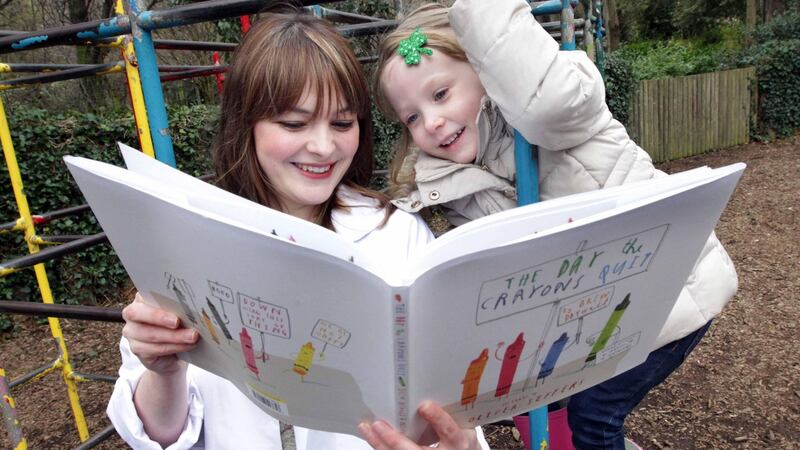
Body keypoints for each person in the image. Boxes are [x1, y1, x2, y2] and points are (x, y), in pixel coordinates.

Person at [106, 9, 490, 450]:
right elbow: (156, 434)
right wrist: (163, 370)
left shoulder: (397, 234)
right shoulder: (182, 238)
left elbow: (452, 412)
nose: (324, 146)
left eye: (343, 123)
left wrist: (460, 445)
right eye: (294, 123)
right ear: (244, 123)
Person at [373, 1, 738, 449]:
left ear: (488, 71)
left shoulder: (557, 114)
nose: (430, 121)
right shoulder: (452, 182)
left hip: (671, 294)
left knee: (595, 416)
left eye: (441, 94)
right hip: (599, 317)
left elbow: (540, 99)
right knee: (538, 398)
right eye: (411, 116)